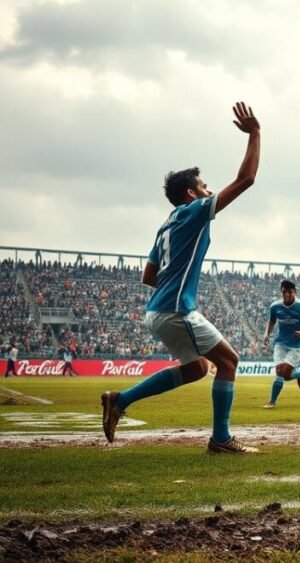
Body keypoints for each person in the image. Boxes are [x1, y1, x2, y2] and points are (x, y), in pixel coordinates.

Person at [101, 102, 261, 453]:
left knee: (196, 370)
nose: (209, 190)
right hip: (174, 310)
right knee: (229, 361)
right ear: (190, 193)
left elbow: (148, 275)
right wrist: (255, 134)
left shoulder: (165, 226)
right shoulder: (193, 212)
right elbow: (246, 179)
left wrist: (172, 286)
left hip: (158, 310)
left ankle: (120, 400)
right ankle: (221, 440)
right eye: (204, 186)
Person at [262, 280, 300, 408]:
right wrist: (266, 334)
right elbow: (271, 322)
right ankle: (273, 401)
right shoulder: (275, 307)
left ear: (295, 293)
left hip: (298, 344)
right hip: (281, 342)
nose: (287, 295)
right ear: (281, 292)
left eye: (290, 292)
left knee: (284, 373)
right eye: (284, 292)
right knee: (280, 371)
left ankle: (298, 373)